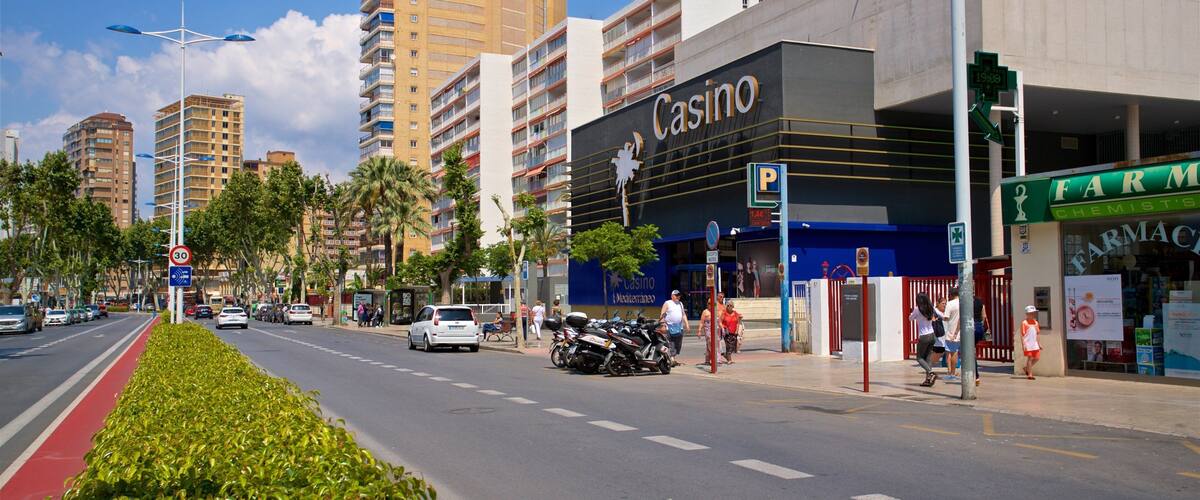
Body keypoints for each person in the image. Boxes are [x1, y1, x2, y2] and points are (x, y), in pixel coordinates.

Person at [909, 292, 946, 387]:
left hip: (924, 336)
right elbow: (942, 316)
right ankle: (928, 380)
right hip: (932, 335)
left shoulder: (917, 309)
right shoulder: (931, 308)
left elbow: (910, 318)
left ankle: (931, 373)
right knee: (928, 357)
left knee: (919, 358)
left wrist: (913, 313)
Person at [660, 290, 689, 364]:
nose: (678, 297)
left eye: (679, 295)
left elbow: (683, 315)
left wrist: (687, 324)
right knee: (671, 342)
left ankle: (673, 357)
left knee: (678, 343)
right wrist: (662, 325)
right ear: (672, 296)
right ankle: (671, 358)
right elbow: (662, 314)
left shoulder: (680, 304)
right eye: (676, 295)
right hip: (669, 327)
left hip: (679, 327)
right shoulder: (667, 303)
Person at [942, 287, 962, 381]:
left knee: (950, 352)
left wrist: (940, 316)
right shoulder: (962, 302)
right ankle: (952, 372)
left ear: (951, 294)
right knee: (955, 352)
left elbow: (946, 317)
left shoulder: (950, 304)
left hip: (951, 331)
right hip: (961, 332)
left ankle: (951, 373)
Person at [1021, 305, 1041, 380]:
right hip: (1028, 344)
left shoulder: (1036, 323)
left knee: (1037, 358)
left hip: (1035, 344)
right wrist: (1023, 345)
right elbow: (1022, 335)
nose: (1033, 315)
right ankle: (1030, 374)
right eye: (1031, 313)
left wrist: (1039, 343)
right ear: (1027, 314)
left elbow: (1038, 333)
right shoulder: (1024, 323)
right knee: (1030, 358)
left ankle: (1026, 368)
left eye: (1034, 313)